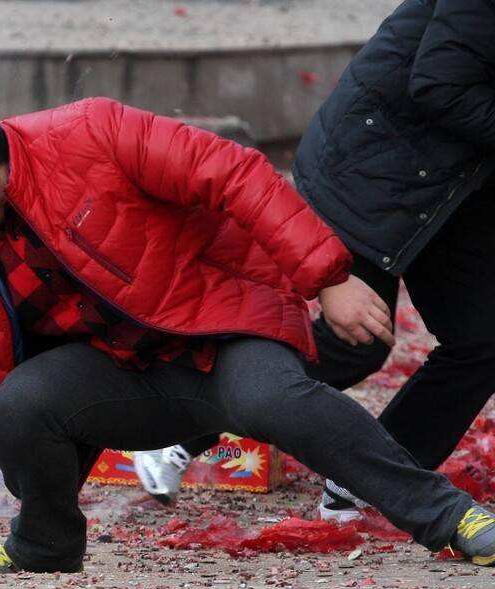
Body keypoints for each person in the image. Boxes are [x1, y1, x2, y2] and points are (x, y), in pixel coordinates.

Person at [0, 97, 495, 573]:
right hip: (123, 380)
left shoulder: (91, 135)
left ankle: (450, 519)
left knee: (277, 401)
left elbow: (235, 174)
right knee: (22, 402)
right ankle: (44, 545)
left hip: (221, 332)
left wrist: (326, 275)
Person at [134, 0, 495, 524]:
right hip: (376, 166)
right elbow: (442, 83)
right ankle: (171, 429)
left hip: (456, 187)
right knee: (358, 342)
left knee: (482, 338)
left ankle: (363, 480)